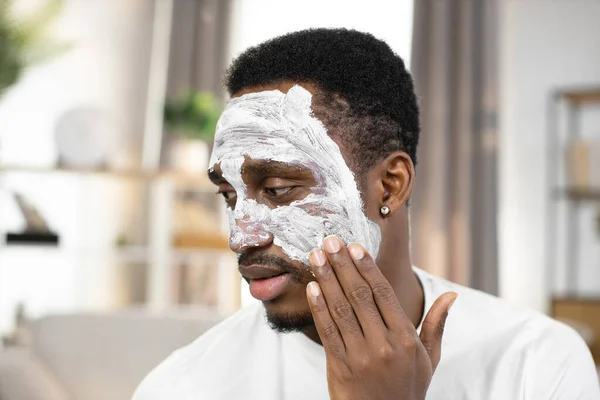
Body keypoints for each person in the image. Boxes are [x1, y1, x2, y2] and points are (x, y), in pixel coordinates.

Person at [133, 29, 600, 400]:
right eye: (230, 197)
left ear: (390, 186)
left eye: (276, 189)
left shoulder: (534, 363)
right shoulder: (180, 387)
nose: (240, 237)